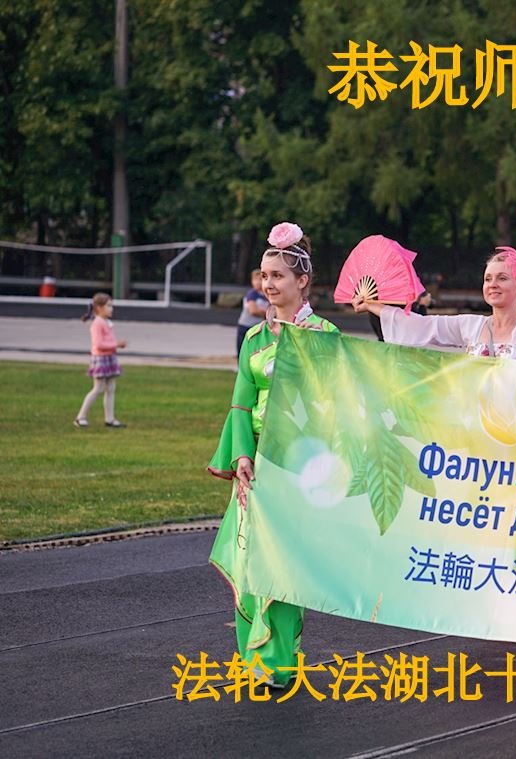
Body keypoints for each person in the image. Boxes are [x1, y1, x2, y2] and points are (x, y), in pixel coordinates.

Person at [207, 222, 339, 687]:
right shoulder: (254, 339)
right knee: (248, 561)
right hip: (255, 467)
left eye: (278, 275)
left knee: (284, 566)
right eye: (264, 275)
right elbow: (241, 404)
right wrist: (242, 455)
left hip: (298, 466)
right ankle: (252, 661)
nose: (269, 283)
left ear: (302, 280)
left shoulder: (324, 336)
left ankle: (279, 663)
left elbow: (333, 405)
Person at [359, 248, 516, 361]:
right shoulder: (471, 326)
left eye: (502, 278)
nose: (493, 285)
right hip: (477, 425)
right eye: (488, 279)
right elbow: (422, 326)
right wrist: (371, 305)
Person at [74, 293, 127, 428]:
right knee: (98, 388)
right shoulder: (97, 323)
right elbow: (98, 344)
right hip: (101, 358)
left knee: (111, 388)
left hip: (109, 357)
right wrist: (116, 345)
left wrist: (115, 345)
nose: (111, 309)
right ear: (99, 308)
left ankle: (110, 418)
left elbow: (107, 341)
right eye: (108, 306)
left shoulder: (106, 323)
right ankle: (80, 417)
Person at [236, 270, 268, 355]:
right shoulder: (252, 294)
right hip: (246, 326)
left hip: (259, 328)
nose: (258, 282)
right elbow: (253, 311)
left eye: (260, 279)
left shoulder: (268, 295)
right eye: (255, 280)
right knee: (243, 352)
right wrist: (266, 313)